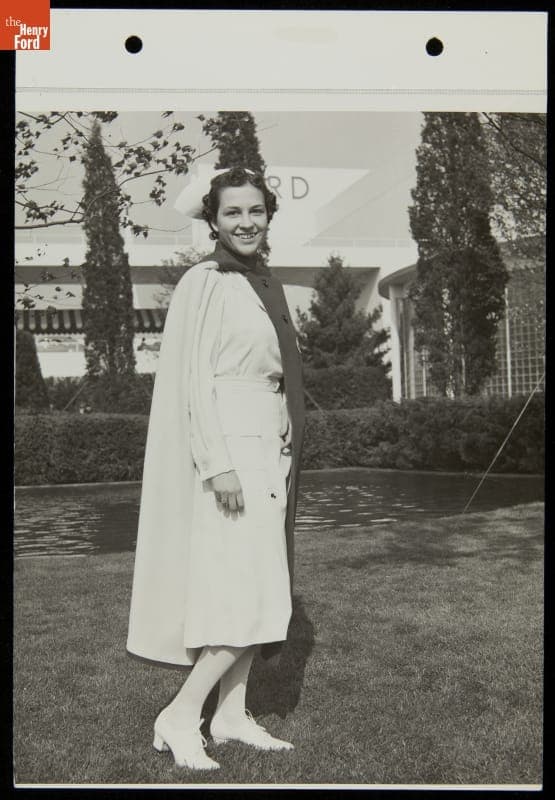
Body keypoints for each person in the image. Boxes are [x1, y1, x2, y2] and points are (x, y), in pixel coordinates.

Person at [126, 166, 305, 771]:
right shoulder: (205, 282)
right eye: (233, 213)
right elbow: (194, 382)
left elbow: (271, 371)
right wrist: (217, 462)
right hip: (229, 446)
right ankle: (181, 715)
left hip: (265, 444)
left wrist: (280, 423)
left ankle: (231, 716)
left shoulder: (261, 283)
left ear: (268, 215)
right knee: (241, 588)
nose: (246, 222)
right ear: (214, 219)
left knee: (264, 583)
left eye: (255, 211)